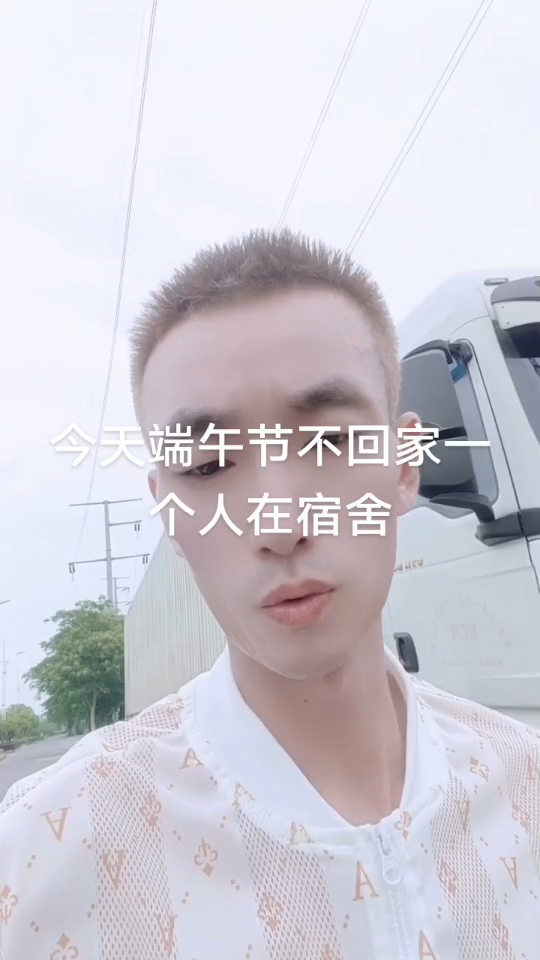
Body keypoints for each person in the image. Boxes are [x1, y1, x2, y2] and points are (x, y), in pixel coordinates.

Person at [1, 229, 538, 959]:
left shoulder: (525, 783)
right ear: (169, 513)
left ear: (405, 466)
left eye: (328, 442)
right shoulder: (45, 856)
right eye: (208, 465)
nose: (279, 525)